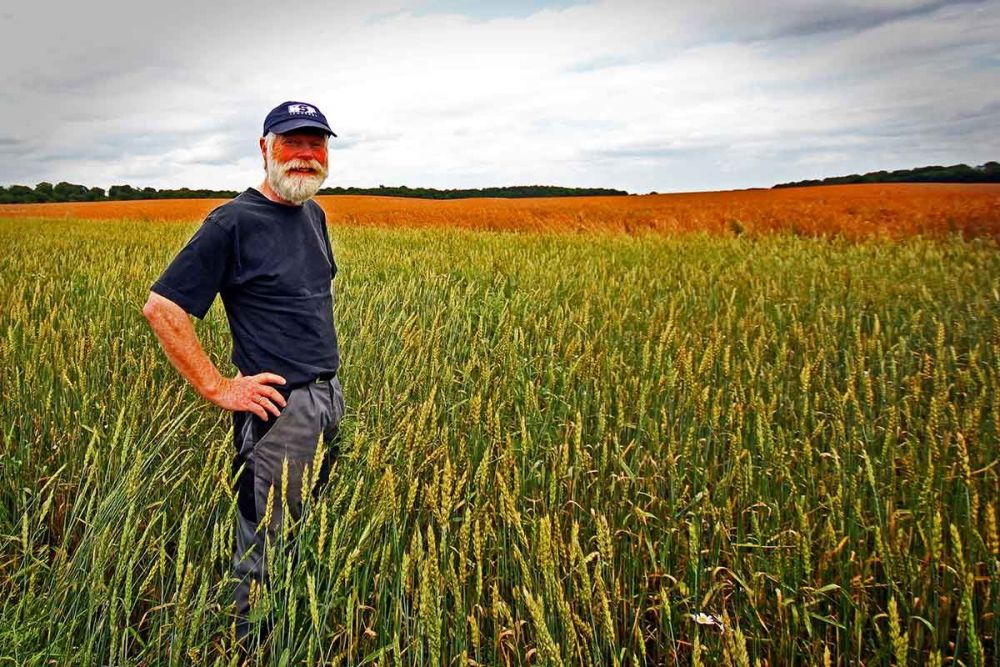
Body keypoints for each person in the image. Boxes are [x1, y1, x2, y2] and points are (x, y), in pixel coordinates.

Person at [142, 100, 344, 648]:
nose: (305, 155)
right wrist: (217, 386)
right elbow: (163, 307)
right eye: (291, 143)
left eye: (315, 143)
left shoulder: (314, 214)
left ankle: (294, 627)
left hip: (327, 399)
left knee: (306, 527)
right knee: (264, 539)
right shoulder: (232, 222)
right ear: (264, 148)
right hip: (278, 413)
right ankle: (256, 646)